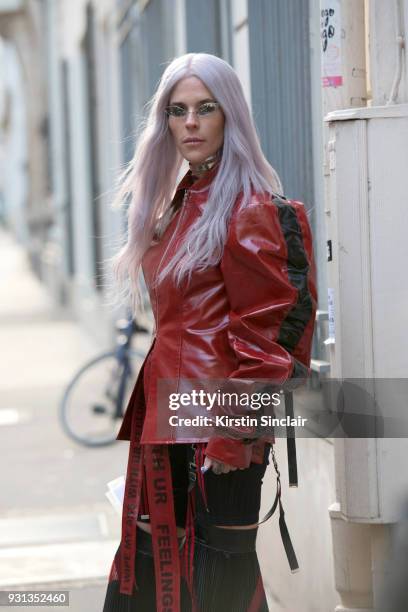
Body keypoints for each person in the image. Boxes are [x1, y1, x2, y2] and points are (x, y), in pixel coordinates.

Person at [102, 52, 317, 612]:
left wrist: (231, 436)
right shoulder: (182, 200)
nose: (190, 123)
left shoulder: (248, 208)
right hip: (167, 417)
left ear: (231, 116)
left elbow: (266, 337)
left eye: (205, 108)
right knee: (153, 573)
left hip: (215, 427)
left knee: (217, 579)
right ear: (165, 122)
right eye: (177, 111)